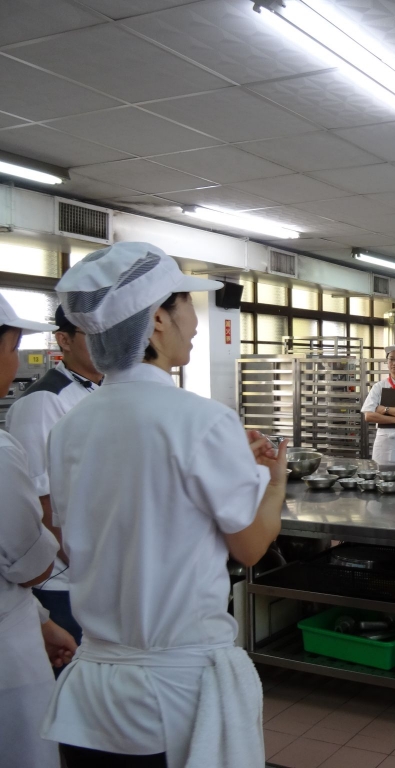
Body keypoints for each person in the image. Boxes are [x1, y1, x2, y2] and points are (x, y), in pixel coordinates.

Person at [40, 242, 289, 768]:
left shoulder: (69, 427)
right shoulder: (202, 419)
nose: (195, 323)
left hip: (91, 695)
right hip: (173, 697)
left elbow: (84, 532)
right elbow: (249, 547)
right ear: (157, 319)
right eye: (188, 305)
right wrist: (273, 484)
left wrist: (227, 465)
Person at [0, 295, 77, 768]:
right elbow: (30, 561)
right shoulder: (40, 405)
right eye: (13, 348)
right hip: (12, 646)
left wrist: (40, 621)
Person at [6, 306, 103, 646]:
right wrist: (87, 571)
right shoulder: (45, 402)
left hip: (100, 569)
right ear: (64, 339)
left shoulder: (104, 391)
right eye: (94, 335)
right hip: (67, 581)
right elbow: (41, 500)